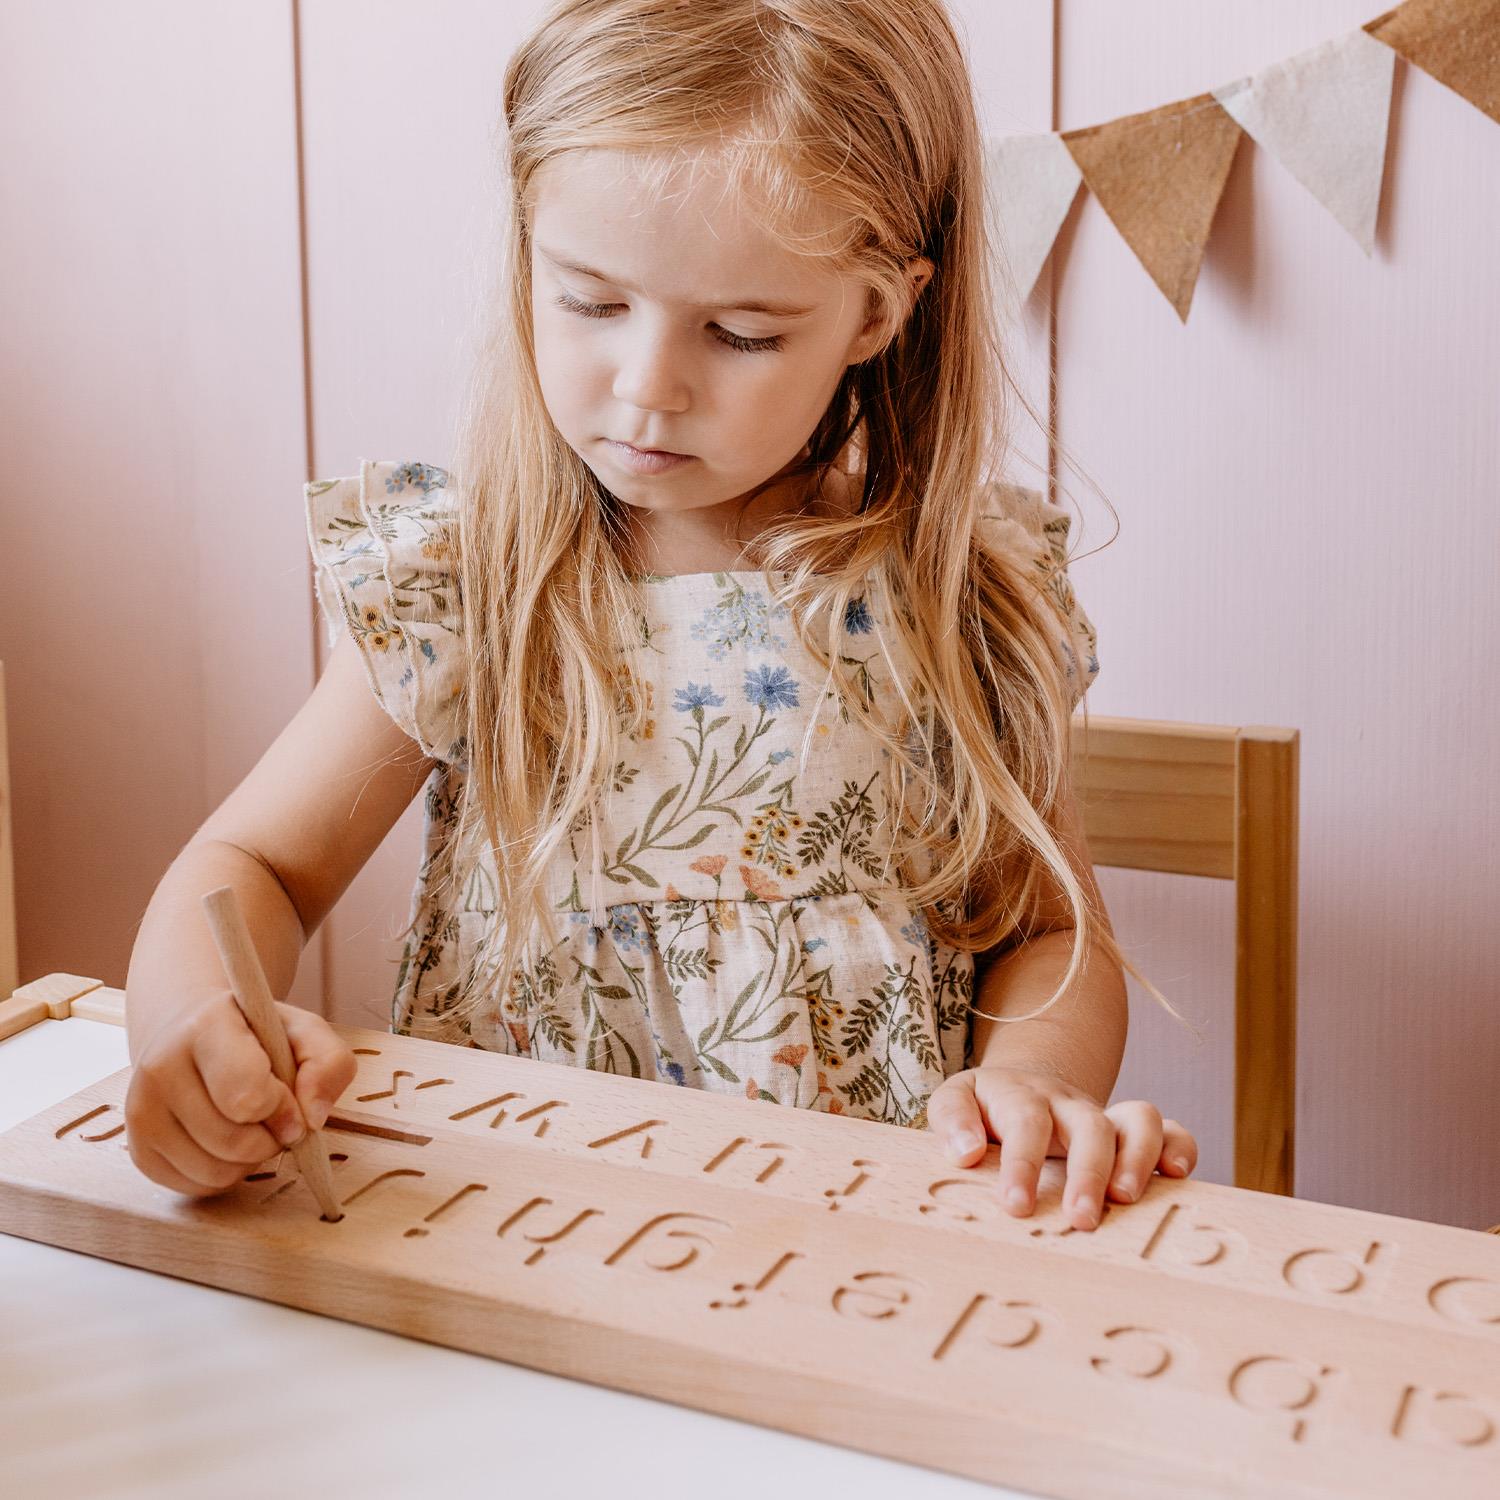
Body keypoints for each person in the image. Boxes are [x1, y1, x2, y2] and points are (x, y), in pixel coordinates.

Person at [124, 0, 1200, 1232]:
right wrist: (190, 1027)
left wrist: (1032, 1086)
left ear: (875, 314)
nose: (647, 389)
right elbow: (250, 865)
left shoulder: (961, 597)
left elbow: (1052, 932)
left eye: (741, 332)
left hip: (858, 1258)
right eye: (589, 302)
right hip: (499, 1240)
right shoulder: (475, 582)